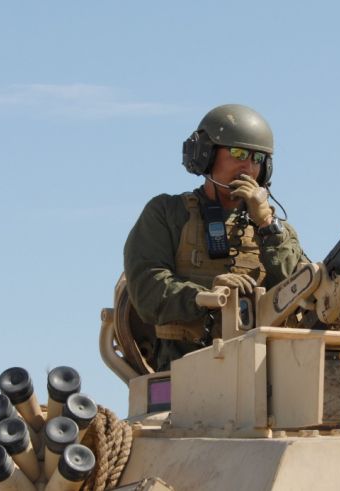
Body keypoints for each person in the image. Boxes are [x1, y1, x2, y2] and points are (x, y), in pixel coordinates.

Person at [124, 104, 305, 371]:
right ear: (205, 155)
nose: (248, 167)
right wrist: (207, 296)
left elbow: (301, 291)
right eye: (238, 153)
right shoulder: (168, 214)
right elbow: (147, 290)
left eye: (257, 158)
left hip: (262, 373)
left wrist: (266, 224)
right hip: (183, 372)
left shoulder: (278, 232)